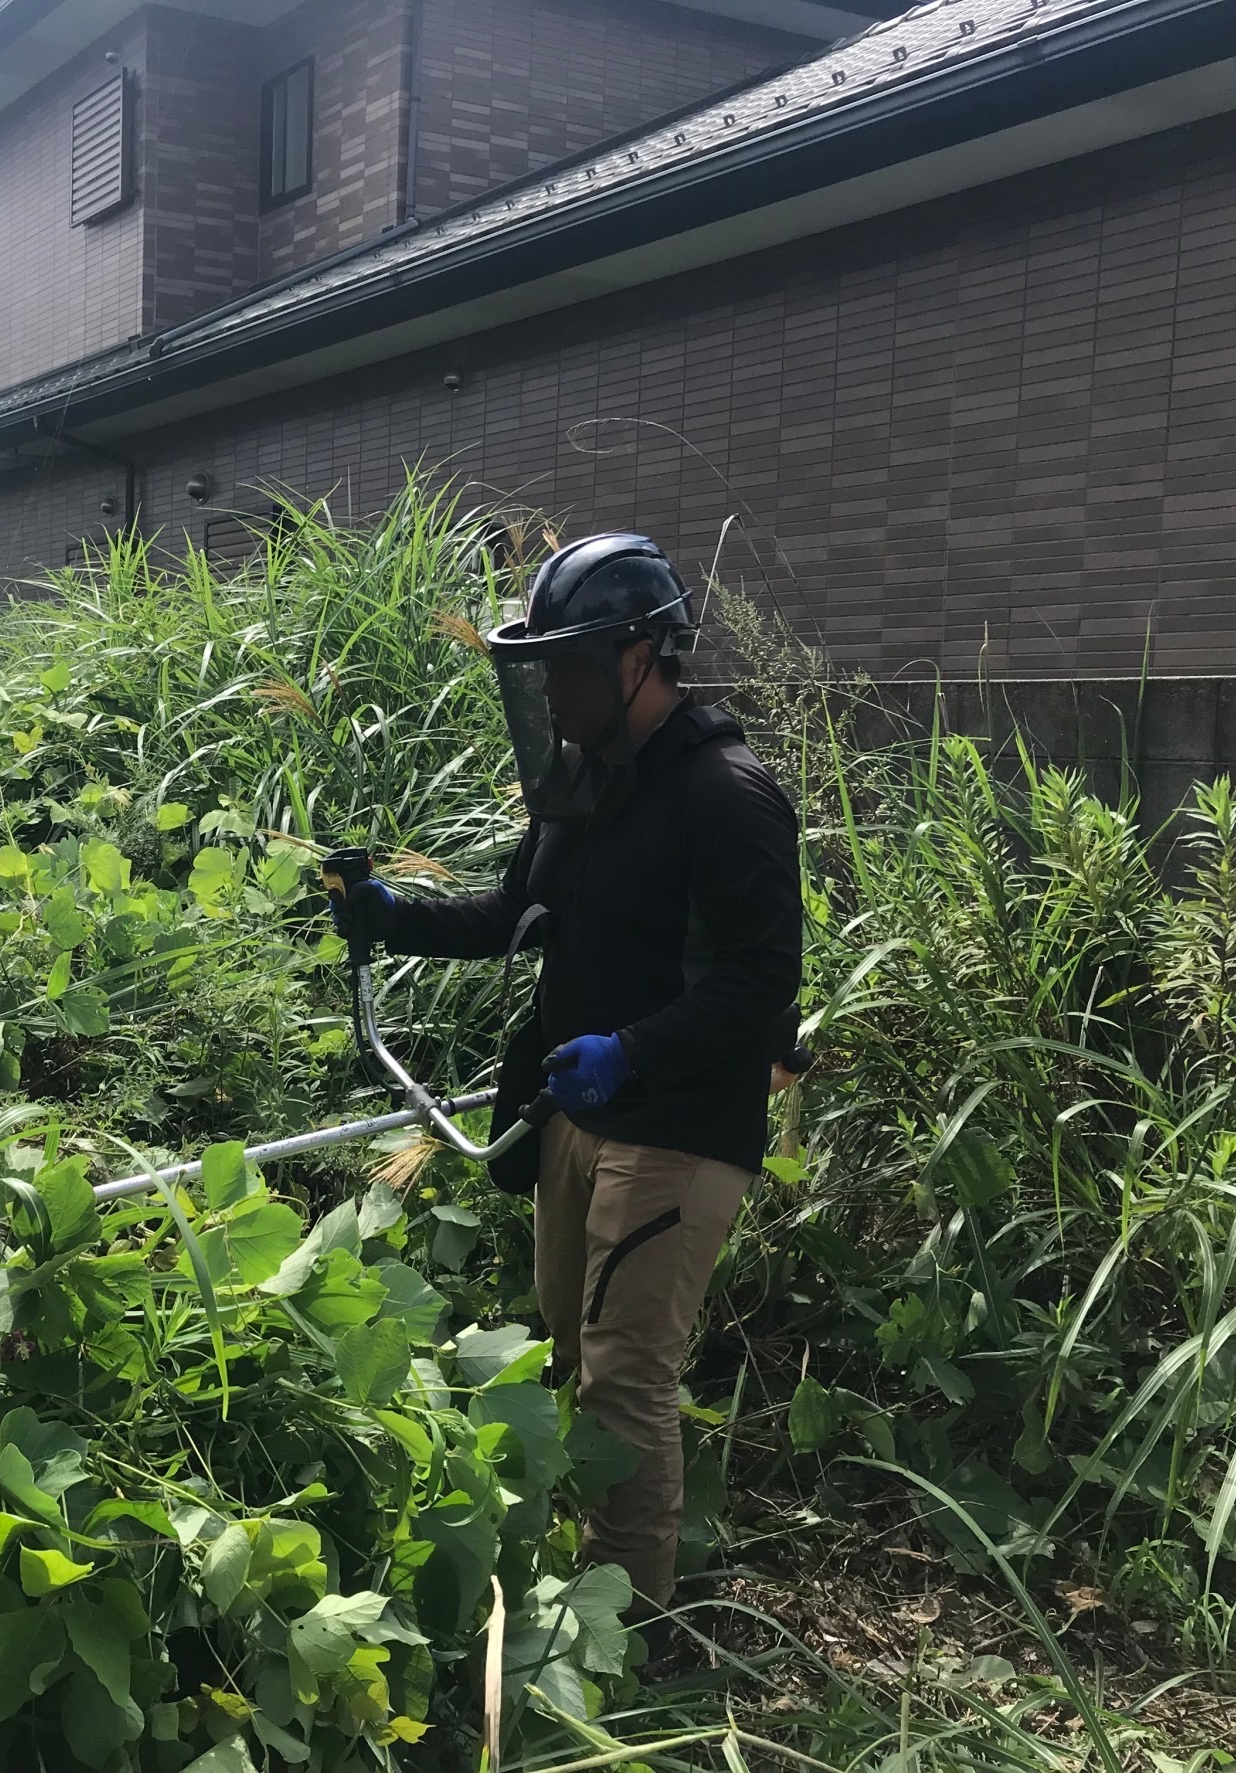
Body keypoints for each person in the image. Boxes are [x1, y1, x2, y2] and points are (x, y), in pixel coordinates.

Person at [330, 532, 802, 1615]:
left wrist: (632, 1051)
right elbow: (516, 914)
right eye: (537, 669)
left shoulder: (726, 794)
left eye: (567, 668)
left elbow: (762, 980)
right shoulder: (583, 782)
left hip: (677, 1127)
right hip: (573, 1113)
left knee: (626, 1379)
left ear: (639, 658)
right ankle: (578, 1585)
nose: (549, 692)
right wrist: (397, 920)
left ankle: (629, 1627)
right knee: (565, 1344)